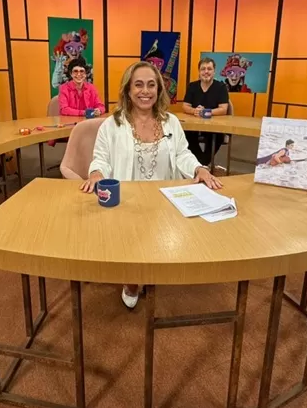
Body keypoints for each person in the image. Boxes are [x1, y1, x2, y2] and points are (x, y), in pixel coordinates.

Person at [81, 61, 222, 309]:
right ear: (128, 90)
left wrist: (199, 168)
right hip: (128, 202)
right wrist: (96, 173)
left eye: (151, 85)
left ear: (159, 89)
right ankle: (131, 279)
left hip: (164, 198)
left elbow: (182, 153)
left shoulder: (171, 122)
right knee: (131, 243)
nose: (145, 91)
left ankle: (151, 266)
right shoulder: (112, 125)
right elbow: (100, 158)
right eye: (138, 85)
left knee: (161, 243)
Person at [182, 57, 230, 165]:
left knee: (218, 137)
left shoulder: (221, 87)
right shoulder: (192, 86)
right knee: (185, 134)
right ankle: (202, 163)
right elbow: (185, 106)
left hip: (214, 125)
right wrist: (194, 111)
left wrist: (205, 112)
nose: (206, 71)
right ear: (199, 72)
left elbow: (223, 109)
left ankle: (201, 164)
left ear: (214, 71)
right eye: (203, 69)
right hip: (194, 124)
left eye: (209, 69)